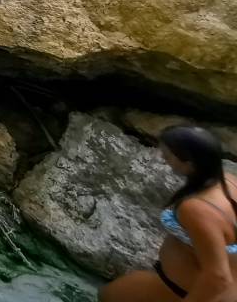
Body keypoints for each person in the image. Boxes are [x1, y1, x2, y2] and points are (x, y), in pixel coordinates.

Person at [100, 126, 237, 302]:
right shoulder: (230, 182)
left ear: (189, 163)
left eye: (167, 155)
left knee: (108, 296)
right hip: (198, 284)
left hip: (183, 290)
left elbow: (218, 277)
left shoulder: (197, 209)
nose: (163, 158)